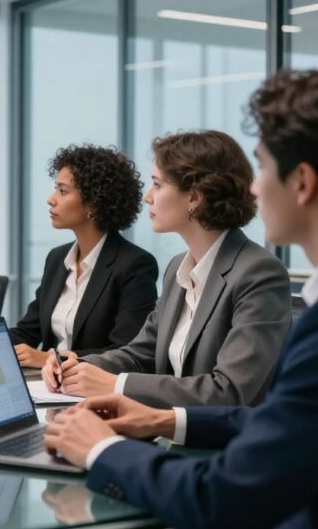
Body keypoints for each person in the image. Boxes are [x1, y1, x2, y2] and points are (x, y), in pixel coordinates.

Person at [43, 66, 318, 529]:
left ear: (303, 182)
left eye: (263, 167)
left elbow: (223, 499)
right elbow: (286, 422)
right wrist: (162, 420)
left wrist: (102, 449)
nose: (254, 187)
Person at [42, 130, 291, 407]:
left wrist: (116, 385)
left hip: (221, 433)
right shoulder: (177, 269)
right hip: (165, 424)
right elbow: (140, 354)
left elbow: (228, 391)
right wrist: (77, 365)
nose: (148, 197)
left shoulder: (259, 273)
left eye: (157, 185)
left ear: (194, 198)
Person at [11, 144, 158, 368]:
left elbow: (126, 351)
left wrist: (51, 359)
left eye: (62, 191)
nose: (51, 199)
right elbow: (27, 332)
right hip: (46, 382)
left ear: (94, 202)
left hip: (92, 383)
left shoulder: (134, 265)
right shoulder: (57, 258)